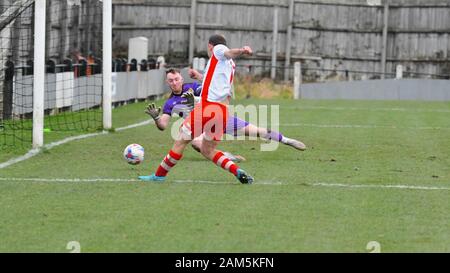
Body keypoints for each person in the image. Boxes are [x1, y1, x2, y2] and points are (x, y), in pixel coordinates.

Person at [139, 34, 254, 184]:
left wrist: (242, 50)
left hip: (207, 107)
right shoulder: (229, 65)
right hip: (222, 112)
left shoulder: (218, 50)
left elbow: (228, 52)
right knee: (208, 151)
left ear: (210, 46)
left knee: (180, 141)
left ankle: (159, 176)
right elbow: (213, 80)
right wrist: (199, 76)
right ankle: (236, 171)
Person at [146, 68, 246, 162]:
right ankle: (228, 157)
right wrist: (156, 118)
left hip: (217, 117)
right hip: (200, 127)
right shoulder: (170, 103)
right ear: (167, 82)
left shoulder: (192, 87)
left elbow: (209, 93)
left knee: (257, 132)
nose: (174, 83)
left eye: (176, 79)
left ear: (182, 79)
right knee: (196, 143)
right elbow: (162, 125)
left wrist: (195, 99)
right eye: (171, 80)